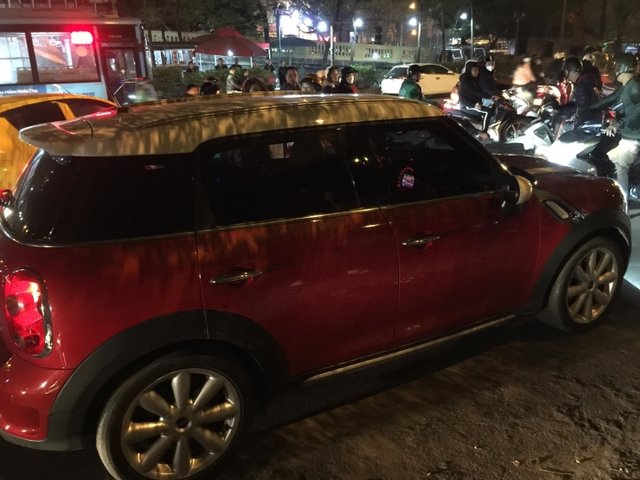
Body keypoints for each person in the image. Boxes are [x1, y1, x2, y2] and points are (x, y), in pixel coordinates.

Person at [590, 53, 640, 198]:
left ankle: (622, 201)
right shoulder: (626, 86)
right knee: (611, 157)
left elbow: (638, 111)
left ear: (622, 67)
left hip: (633, 137)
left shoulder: (635, 88)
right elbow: (611, 99)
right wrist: (591, 108)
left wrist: (619, 123)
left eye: (616, 66)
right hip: (627, 134)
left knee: (621, 167)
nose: (614, 69)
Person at [458, 60, 491, 131]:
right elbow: (475, 92)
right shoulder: (465, 81)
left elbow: (481, 90)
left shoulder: (474, 79)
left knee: (492, 107)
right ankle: (484, 132)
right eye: (475, 70)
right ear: (469, 70)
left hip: (475, 103)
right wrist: (491, 97)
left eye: (478, 70)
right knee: (487, 112)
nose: (477, 72)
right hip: (467, 106)